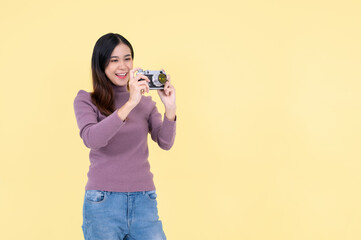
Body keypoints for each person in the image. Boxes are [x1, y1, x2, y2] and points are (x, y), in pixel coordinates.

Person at [73, 33, 176, 240]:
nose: (123, 66)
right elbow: (92, 139)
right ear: (101, 65)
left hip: (144, 201)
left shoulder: (146, 103)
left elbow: (165, 142)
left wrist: (170, 108)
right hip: (103, 203)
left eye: (127, 58)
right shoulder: (86, 100)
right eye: (114, 60)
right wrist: (130, 103)